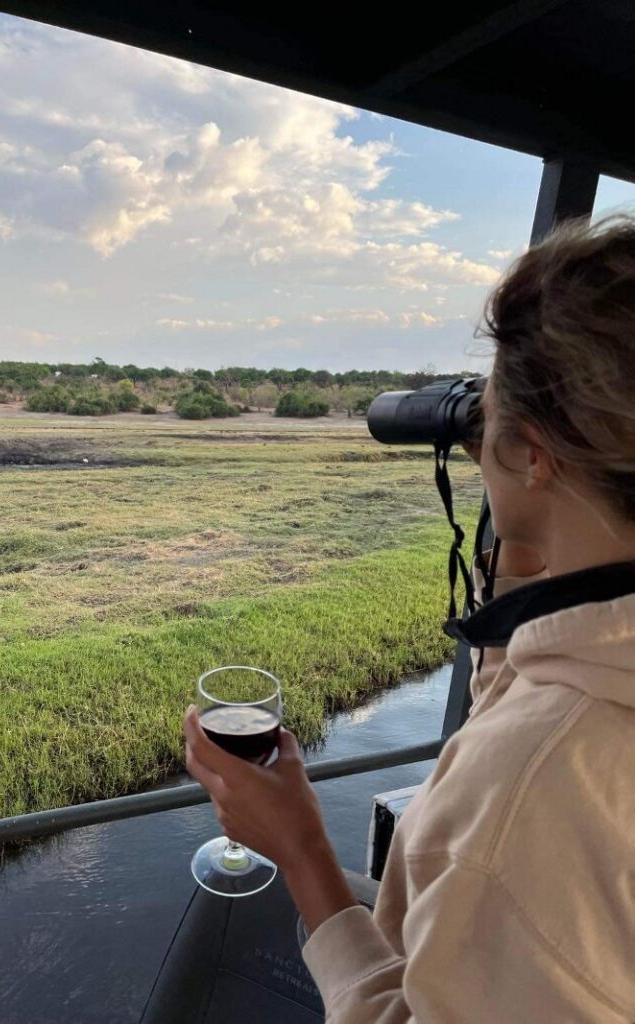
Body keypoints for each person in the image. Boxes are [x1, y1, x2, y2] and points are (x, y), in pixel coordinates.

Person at [184, 216, 635, 1023]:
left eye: (489, 413)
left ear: (535, 453)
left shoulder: (531, 794)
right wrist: (533, 554)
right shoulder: (592, 665)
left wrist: (301, 851)